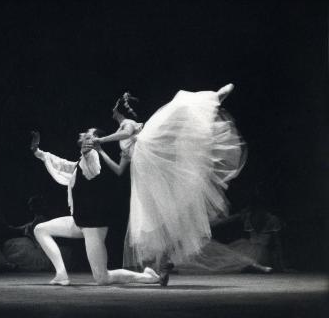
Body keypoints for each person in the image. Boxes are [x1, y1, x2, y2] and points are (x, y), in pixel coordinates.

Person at [93, 84, 246, 270]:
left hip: (150, 155)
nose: (111, 111)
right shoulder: (123, 140)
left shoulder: (128, 124)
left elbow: (125, 133)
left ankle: (212, 99)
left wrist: (101, 139)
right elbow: (119, 170)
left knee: (176, 112)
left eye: (114, 108)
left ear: (119, 110)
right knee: (156, 219)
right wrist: (101, 150)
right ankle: (163, 262)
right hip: (143, 174)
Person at [29, 129, 161, 286]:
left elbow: (94, 168)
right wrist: (38, 151)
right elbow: (63, 165)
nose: (84, 136)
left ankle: (148, 277)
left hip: (93, 225)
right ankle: (61, 274)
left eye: (89, 135)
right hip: (80, 221)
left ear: (95, 141)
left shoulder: (92, 156)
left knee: (102, 278)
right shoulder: (81, 162)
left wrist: (87, 153)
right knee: (40, 229)